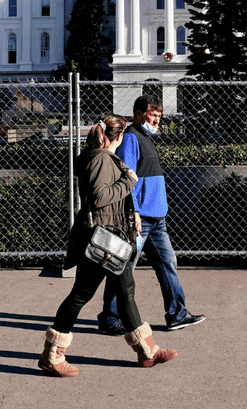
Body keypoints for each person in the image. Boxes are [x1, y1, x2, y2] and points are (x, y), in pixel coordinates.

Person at [39, 112, 177, 377]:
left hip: (113, 237)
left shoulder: (102, 157)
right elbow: (102, 196)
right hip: (102, 240)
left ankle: (148, 352)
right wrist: (128, 180)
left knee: (125, 293)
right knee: (81, 294)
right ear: (120, 137)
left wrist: (132, 213)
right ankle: (51, 356)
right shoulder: (101, 159)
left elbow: (112, 199)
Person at [96, 96, 205, 334]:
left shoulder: (146, 137)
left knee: (167, 264)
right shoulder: (133, 138)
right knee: (122, 267)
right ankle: (110, 318)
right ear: (137, 113)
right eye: (152, 115)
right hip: (140, 218)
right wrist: (133, 211)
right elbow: (127, 178)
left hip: (156, 218)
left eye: (159, 115)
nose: (156, 119)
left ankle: (177, 314)